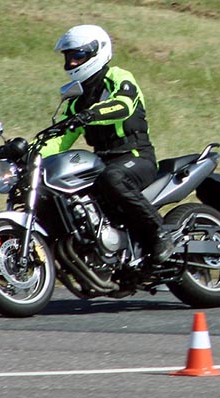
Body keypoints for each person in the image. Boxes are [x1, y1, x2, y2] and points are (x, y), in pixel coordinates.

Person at [41, 24, 173, 264]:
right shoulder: (76, 100)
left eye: (77, 56)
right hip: (102, 163)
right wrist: (28, 154)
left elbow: (124, 105)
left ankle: (159, 232)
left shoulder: (118, 77)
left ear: (96, 52)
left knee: (112, 178)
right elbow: (59, 138)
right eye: (68, 57)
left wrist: (91, 114)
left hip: (135, 156)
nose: (71, 63)